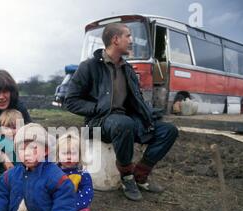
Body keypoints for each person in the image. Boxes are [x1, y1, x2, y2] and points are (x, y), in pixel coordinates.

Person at [65, 23, 178, 201]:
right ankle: (126, 176)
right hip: (99, 122)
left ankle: (140, 174)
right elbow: (70, 101)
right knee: (123, 123)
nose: (132, 41)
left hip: (126, 120)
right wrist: (96, 108)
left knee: (168, 130)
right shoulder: (89, 67)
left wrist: (149, 114)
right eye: (128, 36)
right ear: (115, 40)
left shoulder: (128, 70)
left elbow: (137, 101)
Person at [57, 132, 121, 211]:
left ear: (80, 155)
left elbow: (87, 193)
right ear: (57, 154)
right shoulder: (53, 172)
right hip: (55, 208)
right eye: (65, 153)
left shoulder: (82, 174)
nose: (68, 156)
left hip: (75, 208)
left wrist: (74, 206)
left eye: (73, 153)